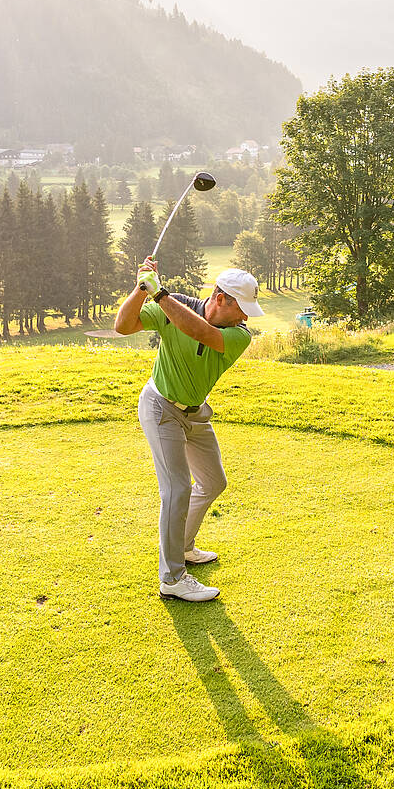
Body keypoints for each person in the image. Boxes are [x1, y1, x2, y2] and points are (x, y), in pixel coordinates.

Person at [112, 256, 264, 602]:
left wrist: (160, 292)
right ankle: (172, 578)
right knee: (178, 489)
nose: (246, 317)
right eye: (242, 308)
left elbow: (200, 331)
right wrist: (141, 287)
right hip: (160, 406)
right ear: (221, 298)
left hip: (195, 413)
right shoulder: (174, 303)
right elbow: (123, 325)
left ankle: (182, 546)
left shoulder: (239, 335)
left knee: (213, 482)